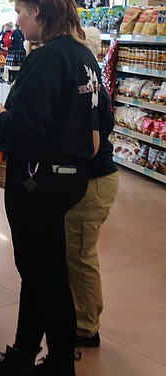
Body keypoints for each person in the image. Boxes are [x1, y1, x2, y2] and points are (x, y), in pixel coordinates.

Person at [0, 0, 101, 376]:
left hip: (37, 181)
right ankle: (24, 354)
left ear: (37, 12)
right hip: (70, 177)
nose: (17, 23)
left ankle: (59, 363)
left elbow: (24, 127)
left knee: (45, 274)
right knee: (42, 269)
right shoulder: (84, 57)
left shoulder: (45, 58)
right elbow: (101, 122)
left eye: (19, 14)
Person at [65, 27, 118, 348]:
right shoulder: (94, 84)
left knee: (81, 255)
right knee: (75, 253)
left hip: (96, 182)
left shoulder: (91, 88)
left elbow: (93, 138)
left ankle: (86, 327)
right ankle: (79, 315)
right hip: (94, 180)